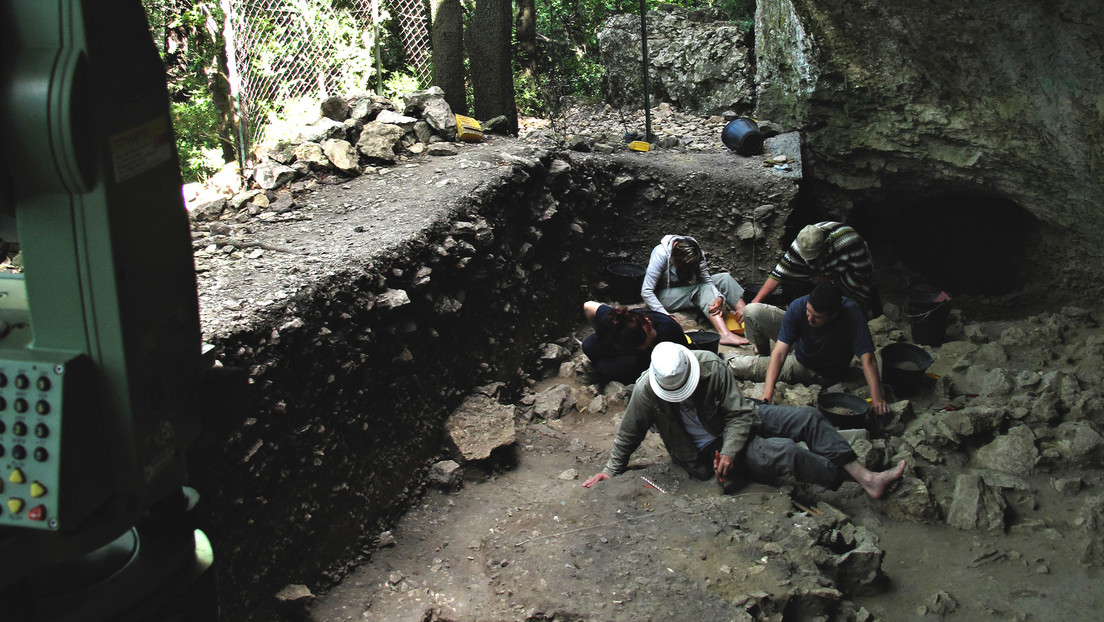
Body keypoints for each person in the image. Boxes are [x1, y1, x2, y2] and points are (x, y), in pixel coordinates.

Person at [582, 342, 905, 499]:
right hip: (706, 448)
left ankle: (866, 476)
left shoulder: (709, 364)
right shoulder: (646, 391)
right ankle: (854, 481)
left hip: (736, 418)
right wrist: (610, 471)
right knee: (784, 452)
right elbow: (629, 433)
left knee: (808, 417)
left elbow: (739, 414)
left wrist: (733, 450)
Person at [727, 282, 891, 415]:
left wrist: (877, 399)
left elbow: (868, 358)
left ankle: (725, 360)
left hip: (808, 365)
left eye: (817, 317)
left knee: (738, 365)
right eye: (809, 312)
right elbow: (779, 353)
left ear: (833, 315)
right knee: (752, 311)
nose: (810, 318)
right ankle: (762, 354)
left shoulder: (852, 315)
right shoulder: (800, 305)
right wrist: (767, 394)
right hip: (800, 344)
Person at [748, 221, 879, 318]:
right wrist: (755, 302)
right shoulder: (800, 244)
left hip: (846, 271)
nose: (810, 262)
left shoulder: (848, 242)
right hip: (825, 272)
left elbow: (862, 273)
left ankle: (861, 317)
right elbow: (779, 274)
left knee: (854, 306)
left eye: (813, 258)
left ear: (824, 246)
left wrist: (830, 279)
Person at [641, 235, 749, 347]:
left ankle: (746, 315)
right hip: (663, 296)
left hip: (684, 289)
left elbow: (706, 280)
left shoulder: (696, 252)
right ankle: (725, 334)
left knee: (724, 279)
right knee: (702, 290)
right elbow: (646, 291)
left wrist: (719, 297)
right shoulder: (661, 254)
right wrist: (666, 315)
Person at [580, 301, 686, 384]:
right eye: (648, 344)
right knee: (588, 345)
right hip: (625, 347)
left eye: (651, 341)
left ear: (648, 321)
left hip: (647, 358)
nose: (650, 345)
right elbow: (588, 307)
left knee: (604, 368)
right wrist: (600, 334)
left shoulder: (669, 329)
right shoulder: (616, 321)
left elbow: (684, 358)